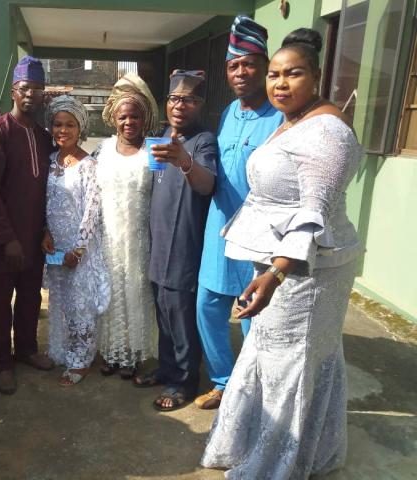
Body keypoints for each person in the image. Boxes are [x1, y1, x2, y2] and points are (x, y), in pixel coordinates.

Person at [201, 29, 362, 478]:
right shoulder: (293, 121)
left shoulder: (326, 131)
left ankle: (281, 461)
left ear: (316, 77)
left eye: (293, 74)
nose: (280, 83)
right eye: (274, 74)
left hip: (307, 270)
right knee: (271, 357)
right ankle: (273, 440)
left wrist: (275, 274)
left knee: (293, 363)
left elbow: (314, 212)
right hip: (280, 262)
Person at [195, 15, 283, 410]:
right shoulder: (229, 111)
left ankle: (252, 389)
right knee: (208, 308)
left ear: (265, 66)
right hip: (220, 226)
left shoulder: (282, 115)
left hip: (260, 234)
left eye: (249, 63)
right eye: (233, 65)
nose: (241, 72)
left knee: (251, 315)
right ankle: (223, 382)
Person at [134, 70, 217, 411]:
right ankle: (167, 368)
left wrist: (184, 159)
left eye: (189, 100)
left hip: (184, 242)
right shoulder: (161, 136)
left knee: (181, 315)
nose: (179, 106)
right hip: (158, 240)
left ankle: (184, 381)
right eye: (174, 98)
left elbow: (207, 184)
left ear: (200, 105)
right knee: (164, 315)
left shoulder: (204, 142)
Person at [0, 56, 55, 395]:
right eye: (26, 89)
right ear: (14, 91)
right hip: (2, 240)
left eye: (38, 90)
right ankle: (1, 362)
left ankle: (25, 350)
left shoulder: (43, 135)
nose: (32, 95)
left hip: (34, 236)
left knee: (29, 299)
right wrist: (7, 240)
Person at [41, 95, 110, 386]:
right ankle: (63, 350)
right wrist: (45, 232)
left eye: (69, 124)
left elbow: (92, 211)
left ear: (80, 128)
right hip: (54, 246)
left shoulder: (88, 165)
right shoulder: (48, 161)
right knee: (61, 302)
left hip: (79, 248)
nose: (63, 130)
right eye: (57, 124)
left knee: (80, 303)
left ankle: (80, 360)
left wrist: (78, 250)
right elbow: (42, 201)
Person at [95, 73, 159, 380]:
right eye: (123, 116)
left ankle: (132, 354)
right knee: (110, 295)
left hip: (138, 240)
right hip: (108, 239)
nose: (129, 122)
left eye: (135, 116)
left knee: (135, 294)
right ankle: (110, 352)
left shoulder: (153, 152)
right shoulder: (103, 151)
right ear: (114, 119)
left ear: (144, 118)